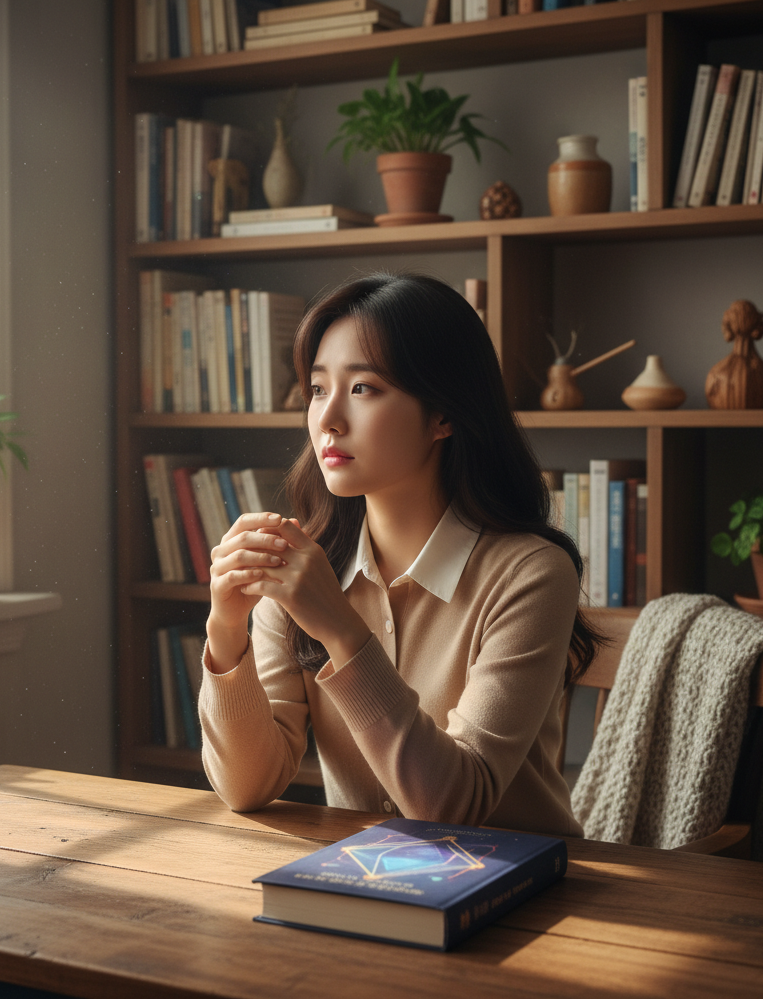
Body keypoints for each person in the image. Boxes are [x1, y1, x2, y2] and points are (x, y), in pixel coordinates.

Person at [199, 272, 600, 834]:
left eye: (363, 388)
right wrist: (227, 631)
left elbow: (455, 807)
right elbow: (246, 788)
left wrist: (340, 629)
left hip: (522, 891)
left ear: (444, 414)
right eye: (318, 389)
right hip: (370, 882)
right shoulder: (306, 567)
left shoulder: (530, 575)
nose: (328, 419)